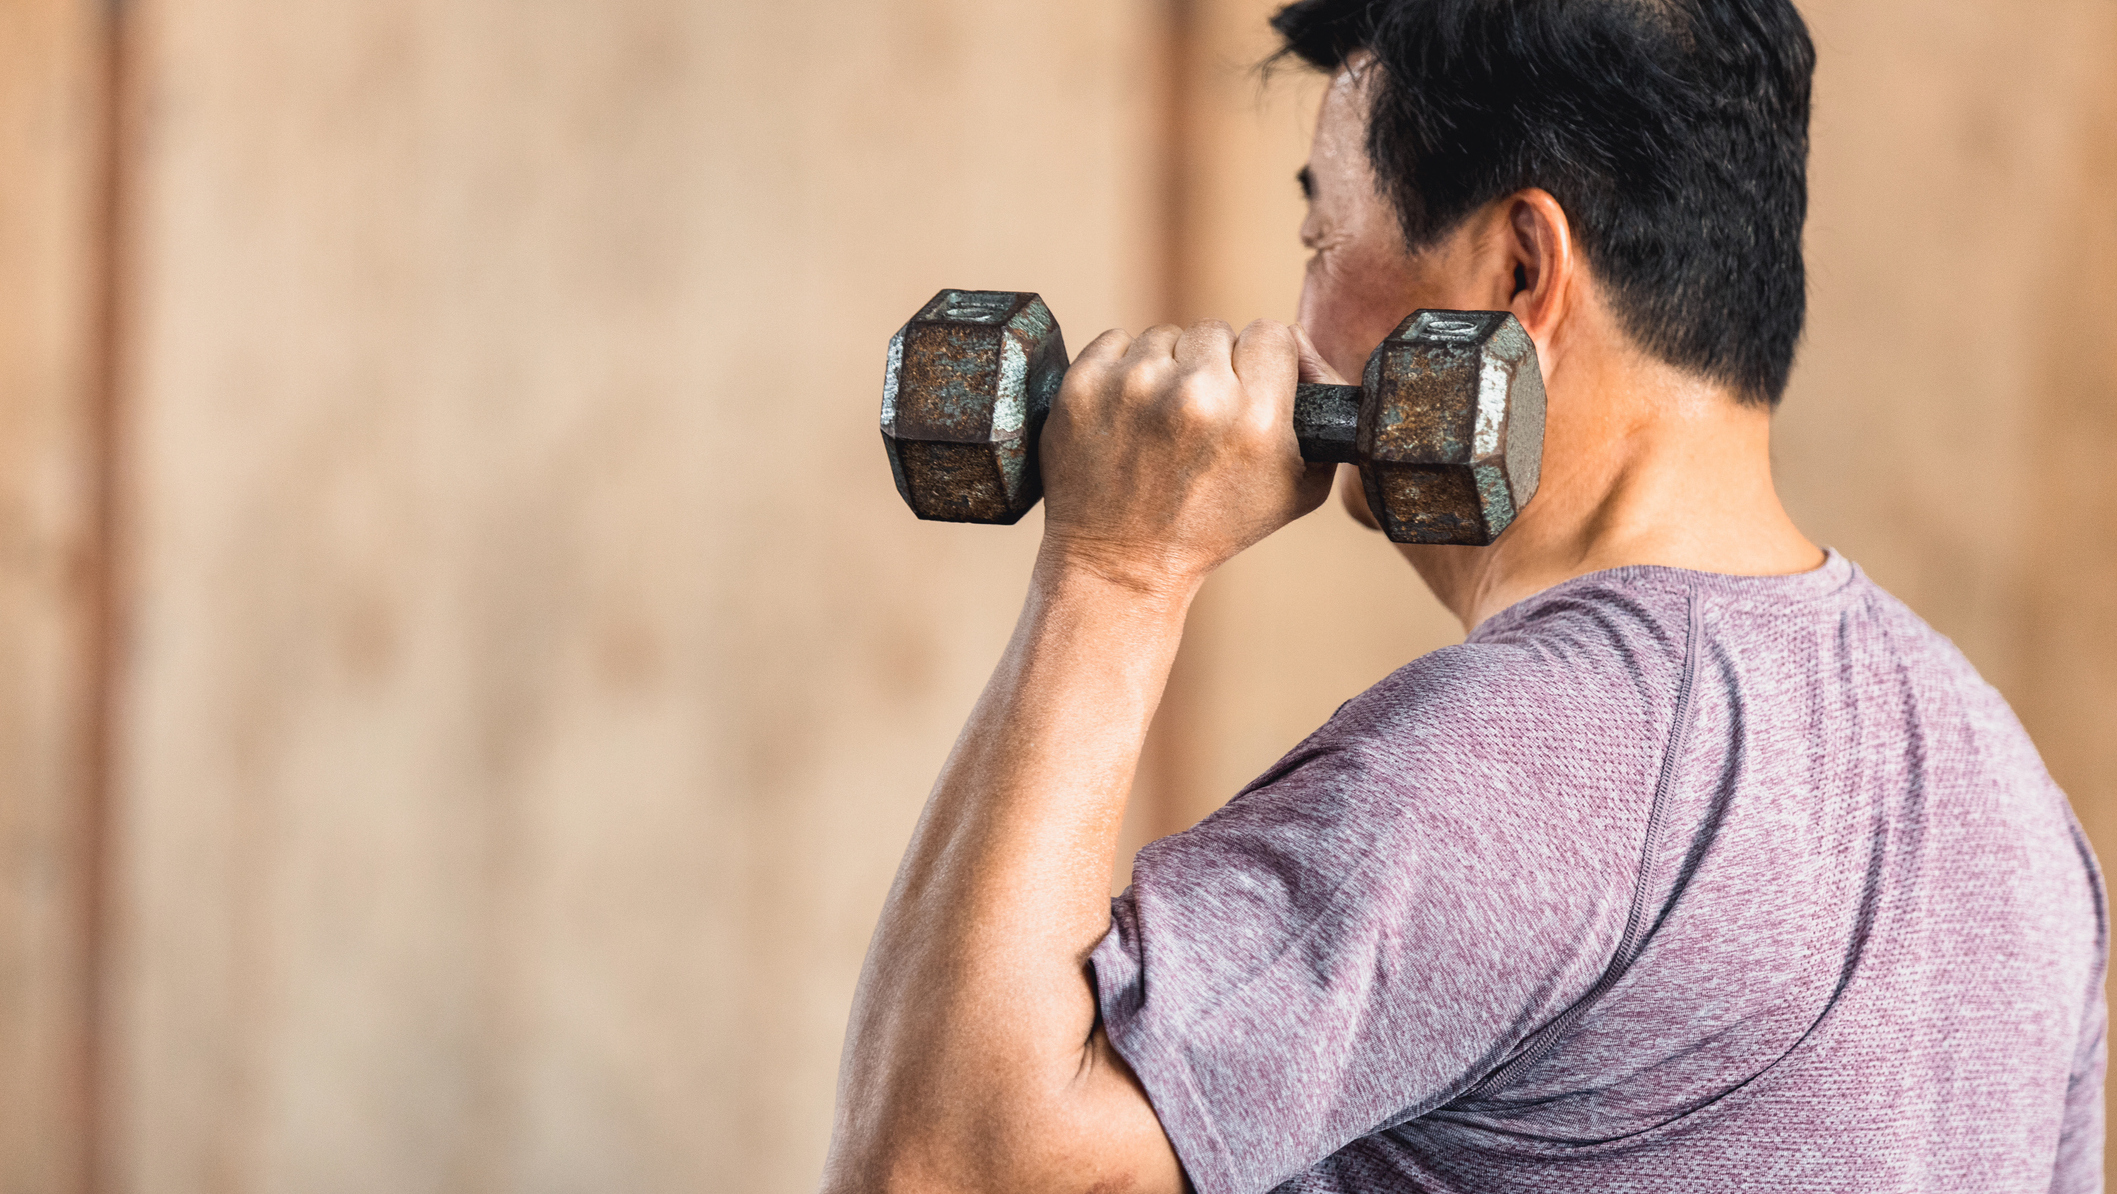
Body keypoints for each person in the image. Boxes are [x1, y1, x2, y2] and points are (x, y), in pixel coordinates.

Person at [823, 0, 2107, 1190]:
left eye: (1324, 239)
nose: (1302, 321)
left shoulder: (1538, 751)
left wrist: (1115, 570)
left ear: (1517, 275)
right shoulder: (2013, 806)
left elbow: (937, 1166)